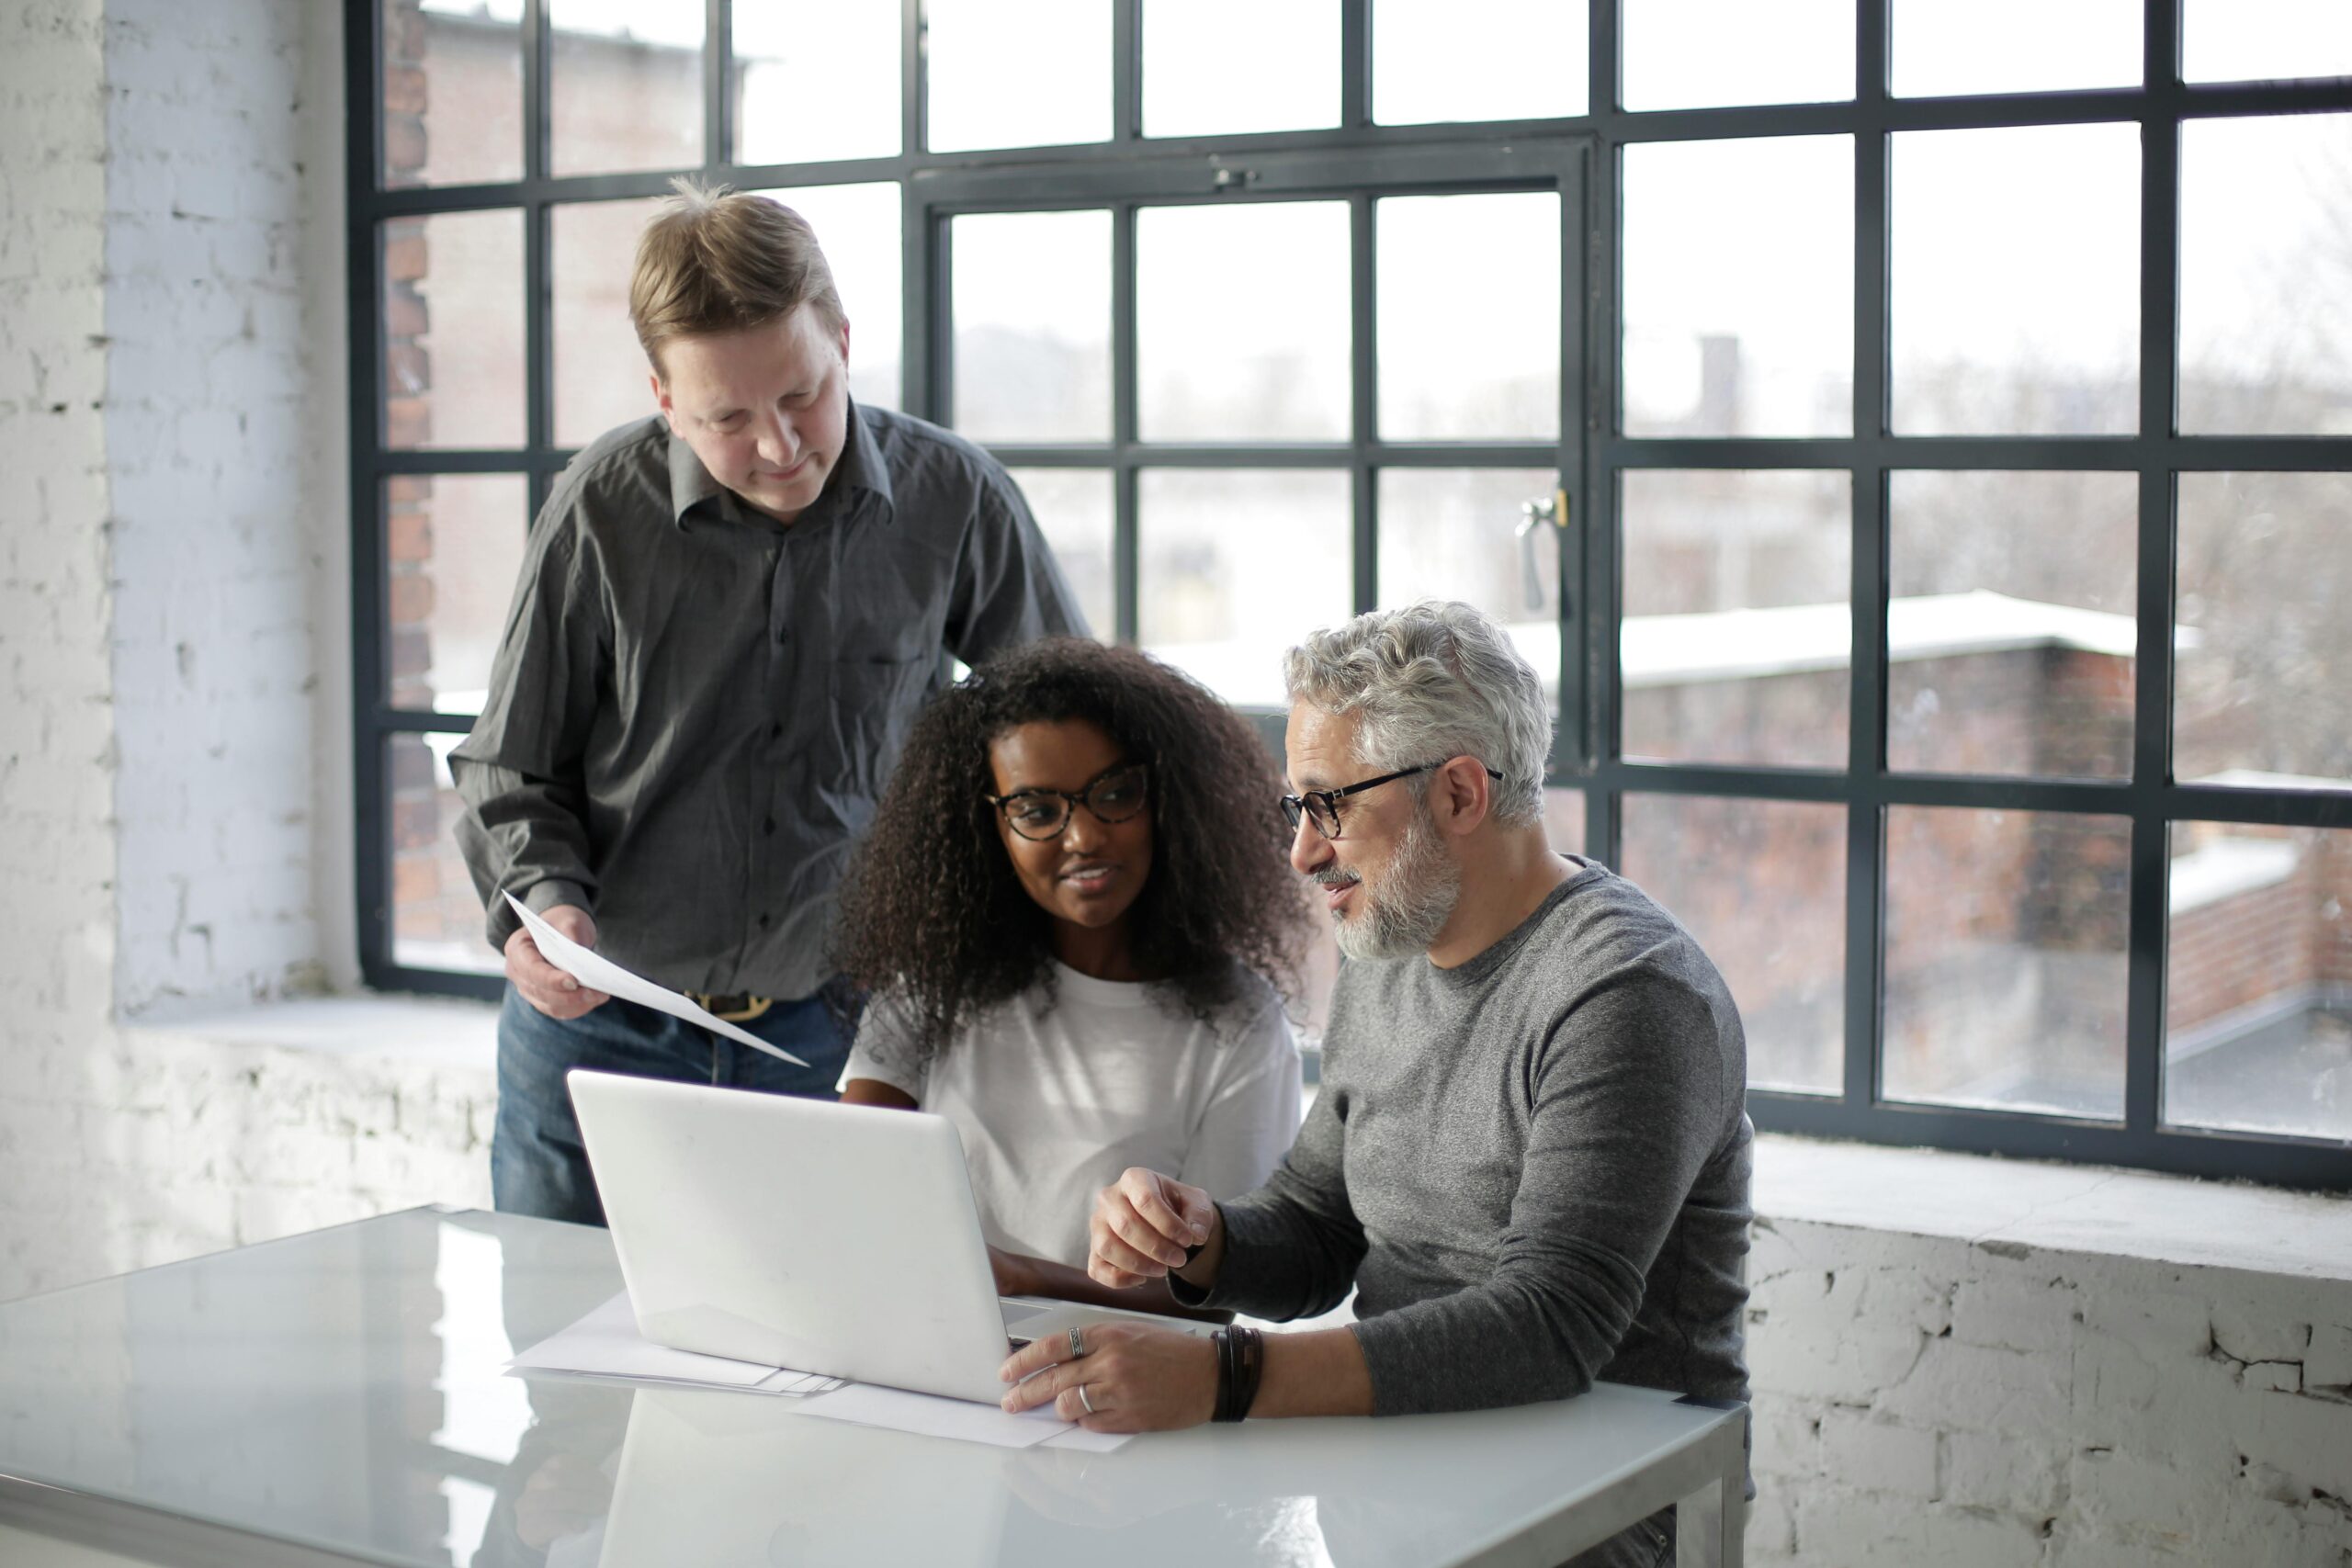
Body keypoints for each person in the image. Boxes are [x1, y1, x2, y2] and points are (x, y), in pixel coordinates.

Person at [997, 601, 1752, 1568]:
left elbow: (1549, 1327)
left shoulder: (1626, 994)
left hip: (1603, 1517)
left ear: (1458, 795)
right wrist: (1199, 1240)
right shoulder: (1390, 944)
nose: (1303, 852)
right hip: (1400, 1487)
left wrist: (1222, 1374)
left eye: (1330, 806)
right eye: (1295, 806)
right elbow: (1321, 1225)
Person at [452, 181, 1086, 1225]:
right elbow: (510, 766)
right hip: (599, 1040)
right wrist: (541, 902)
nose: (780, 446)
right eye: (727, 418)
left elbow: (1068, 734)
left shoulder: (954, 499)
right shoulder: (600, 508)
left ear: (842, 338)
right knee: (566, 1364)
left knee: (823, 1368)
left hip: (845, 1039)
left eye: (802, 395)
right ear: (664, 398)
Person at [831, 637, 1311, 1316]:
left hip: (1118, 1388)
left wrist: (1018, 1279)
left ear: (1167, 796)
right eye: (1036, 809)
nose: (1083, 836)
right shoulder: (930, 987)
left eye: (1114, 793)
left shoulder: (1239, 1023)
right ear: (985, 825)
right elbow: (850, 1186)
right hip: (925, 1351)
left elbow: (1212, 1297)